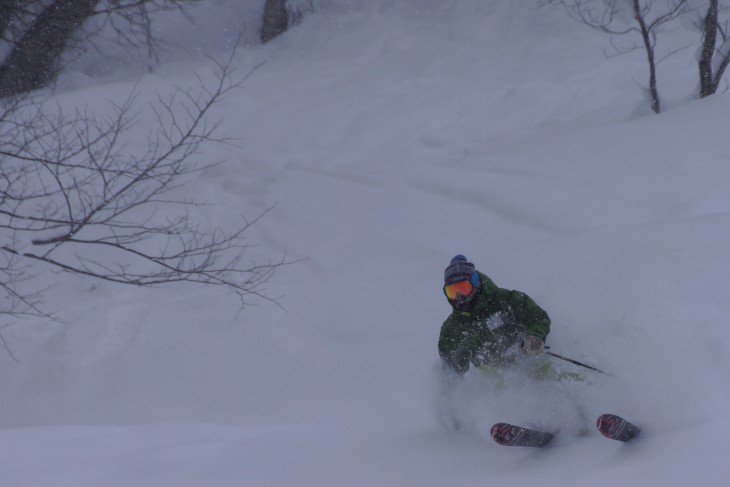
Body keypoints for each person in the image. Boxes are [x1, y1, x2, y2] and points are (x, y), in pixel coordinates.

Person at [438, 255, 551, 375]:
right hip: (490, 382)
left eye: (463, 288)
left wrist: (534, 337)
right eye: (452, 292)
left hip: (526, 361)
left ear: (475, 282)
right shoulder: (451, 329)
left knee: (544, 370)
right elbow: (450, 370)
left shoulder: (506, 300)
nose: (459, 297)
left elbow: (538, 316)